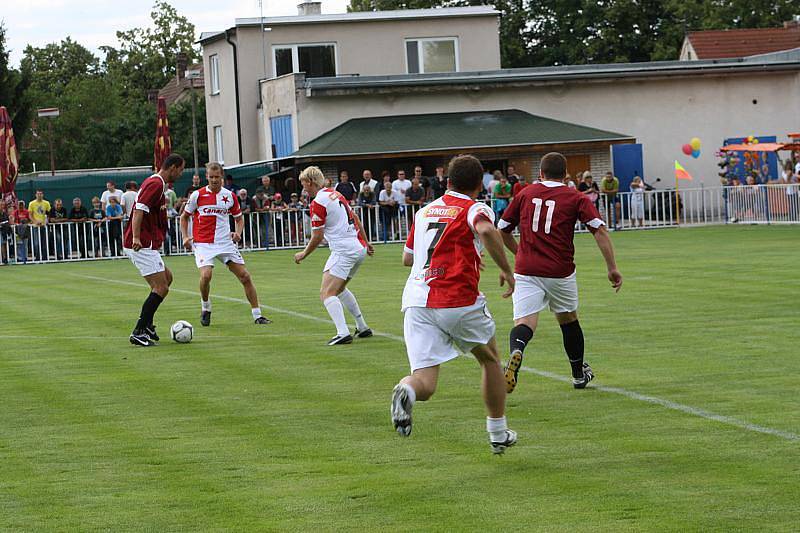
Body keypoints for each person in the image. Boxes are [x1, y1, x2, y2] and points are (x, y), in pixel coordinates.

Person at [390, 154, 518, 454]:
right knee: (490, 360)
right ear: (479, 185)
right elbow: (486, 230)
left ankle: (406, 390)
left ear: (447, 182)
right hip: (456, 298)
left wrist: (465, 252)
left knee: (425, 382)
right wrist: (507, 271)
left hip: (416, 300)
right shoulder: (474, 207)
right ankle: (497, 433)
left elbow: (407, 258)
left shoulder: (424, 212)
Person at [498, 152, 622, 393]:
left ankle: (517, 350)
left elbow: (502, 229)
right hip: (560, 271)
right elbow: (600, 231)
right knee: (568, 320)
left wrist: (519, 252)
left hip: (527, 270)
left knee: (525, 322)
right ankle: (578, 374)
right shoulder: (575, 197)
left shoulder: (525, 193)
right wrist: (612, 268)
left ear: (540, 174)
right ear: (566, 176)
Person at [180, 162, 271, 327]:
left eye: (217, 177)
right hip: (203, 243)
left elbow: (239, 218)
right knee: (206, 276)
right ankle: (206, 307)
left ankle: (257, 315)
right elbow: (184, 217)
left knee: (245, 276)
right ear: (206, 177)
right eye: (211, 177)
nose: (214, 180)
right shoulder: (197, 195)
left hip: (225, 243)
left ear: (222, 177)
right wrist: (185, 237)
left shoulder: (229, 196)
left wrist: (238, 233)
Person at [294, 166, 374, 345]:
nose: (303, 188)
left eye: (304, 183)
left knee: (326, 293)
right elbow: (356, 218)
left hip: (344, 250)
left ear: (311, 182)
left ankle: (342, 332)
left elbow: (317, 236)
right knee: (339, 289)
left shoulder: (318, 202)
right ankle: (362, 326)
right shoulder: (335, 194)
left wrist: (304, 254)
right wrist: (366, 242)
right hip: (357, 248)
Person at [124, 153, 185, 347]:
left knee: (167, 278)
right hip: (141, 244)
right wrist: (135, 237)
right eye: (181, 170)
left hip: (147, 242)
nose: (181, 174)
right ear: (173, 167)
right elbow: (138, 210)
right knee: (161, 287)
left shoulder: (158, 184)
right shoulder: (156, 184)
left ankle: (147, 325)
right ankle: (139, 331)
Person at [28, 189, 50, 261]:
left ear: (42, 195)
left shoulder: (46, 203)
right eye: (38, 194)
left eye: (41, 194)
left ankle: (45, 258)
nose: (39, 195)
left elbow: (49, 213)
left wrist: (46, 221)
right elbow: (30, 215)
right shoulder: (32, 203)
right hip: (35, 226)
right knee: (36, 243)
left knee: (44, 242)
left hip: (44, 225)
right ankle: (38, 258)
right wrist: (35, 222)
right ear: (36, 195)